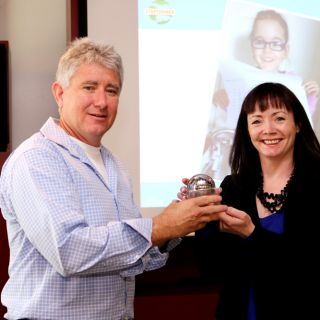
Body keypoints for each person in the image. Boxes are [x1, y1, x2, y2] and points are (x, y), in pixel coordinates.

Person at [0, 37, 227, 320]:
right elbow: (69, 251)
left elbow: (133, 260)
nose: (102, 102)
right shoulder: (37, 158)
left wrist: (177, 224)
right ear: (59, 94)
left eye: (112, 90)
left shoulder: (114, 165)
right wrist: (160, 226)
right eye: (89, 87)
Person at [179, 82, 320, 319]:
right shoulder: (233, 187)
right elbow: (212, 268)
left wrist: (251, 233)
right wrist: (201, 216)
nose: (268, 129)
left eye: (279, 118)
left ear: (298, 125)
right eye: (257, 120)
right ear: (246, 130)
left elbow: (304, 268)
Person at [201, 9, 319, 181]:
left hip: (277, 161)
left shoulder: (294, 83)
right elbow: (228, 119)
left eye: (276, 43)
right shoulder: (237, 80)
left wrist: (310, 96)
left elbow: (303, 124)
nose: (267, 50)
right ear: (251, 45)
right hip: (244, 156)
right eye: (260, 42)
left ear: (286, 49)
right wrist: (218, 97)